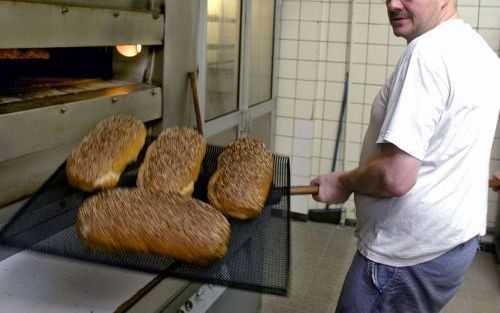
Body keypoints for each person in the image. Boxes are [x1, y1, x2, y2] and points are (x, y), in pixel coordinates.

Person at [310, 0, 500, 312]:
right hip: (452, 247)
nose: (393, 4)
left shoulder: (426, 53)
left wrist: (343, 181)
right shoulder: (480, 52)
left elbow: (395, 176)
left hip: (405, 254)